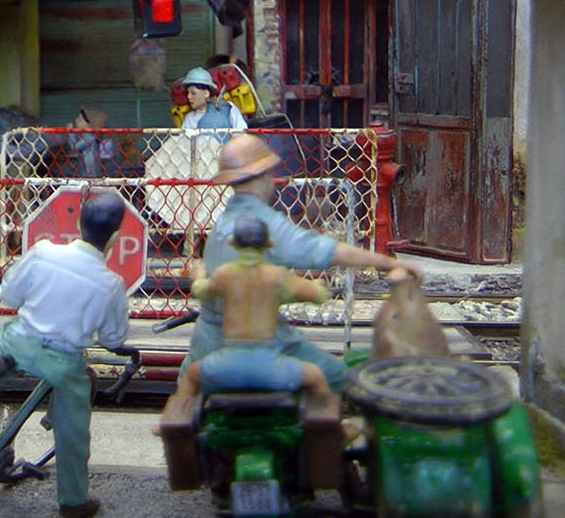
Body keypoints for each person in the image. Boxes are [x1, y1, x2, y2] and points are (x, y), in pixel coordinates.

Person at [182, 134, 424, 392]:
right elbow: (325, 251)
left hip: (205, 344)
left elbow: (203, 285)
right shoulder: (266, 224)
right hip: (264, 345)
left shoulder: (221, 224)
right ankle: (332, 431)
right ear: (265, 176)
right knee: (335, 376)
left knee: (187, 389)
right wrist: (384, 263)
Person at [0, 191, 130, 518]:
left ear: (79, 223)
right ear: (115, 237)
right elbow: (113, 338)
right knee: (73, 428)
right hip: (63, 361)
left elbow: (9, 295)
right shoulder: (111, 284)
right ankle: (73, 499)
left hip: (16, 342)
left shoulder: (44, 253)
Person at [163, 217, 339, 426]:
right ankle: (330, 434)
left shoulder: (224, 275)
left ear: (234, 245)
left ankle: (174, 428)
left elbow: (201, 290)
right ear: (269, 244)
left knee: (191, 376)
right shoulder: (277, 277)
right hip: (269, 365)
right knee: (318, 377)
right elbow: (318, 296)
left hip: (229, 363)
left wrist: (198, 275)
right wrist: (317, 286)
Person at [178, 66, 247, 133]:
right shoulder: (190, 119)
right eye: (188, 93)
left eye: (193, 93)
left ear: (206, 93)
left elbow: (242, 131)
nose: (189, 96)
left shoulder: (227, 109)